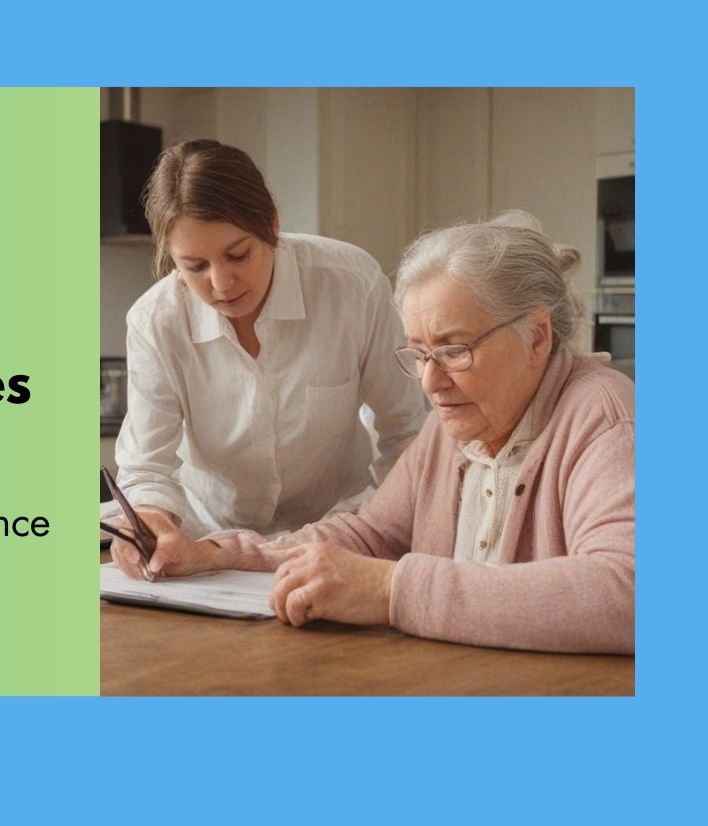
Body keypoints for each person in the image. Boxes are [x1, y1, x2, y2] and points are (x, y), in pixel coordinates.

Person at [112, 210, 635, 655]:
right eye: (420, 354)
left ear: (537, 336)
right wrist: (221, 554)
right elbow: (370, 535)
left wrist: (392, 589)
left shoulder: (601, 415)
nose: (431, 382)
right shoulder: (453, 429)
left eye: (455, 350)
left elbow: (628, 592)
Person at [114, 139, 426, 542]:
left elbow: (407, 433)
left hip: (340, 534)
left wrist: (379, 526)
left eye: (239, 255)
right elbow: (146, 469)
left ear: (272, 223)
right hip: (210, 544)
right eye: (194, 267)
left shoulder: (351, 285)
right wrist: (151, 522)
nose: (221, 284)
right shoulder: (155, 322)